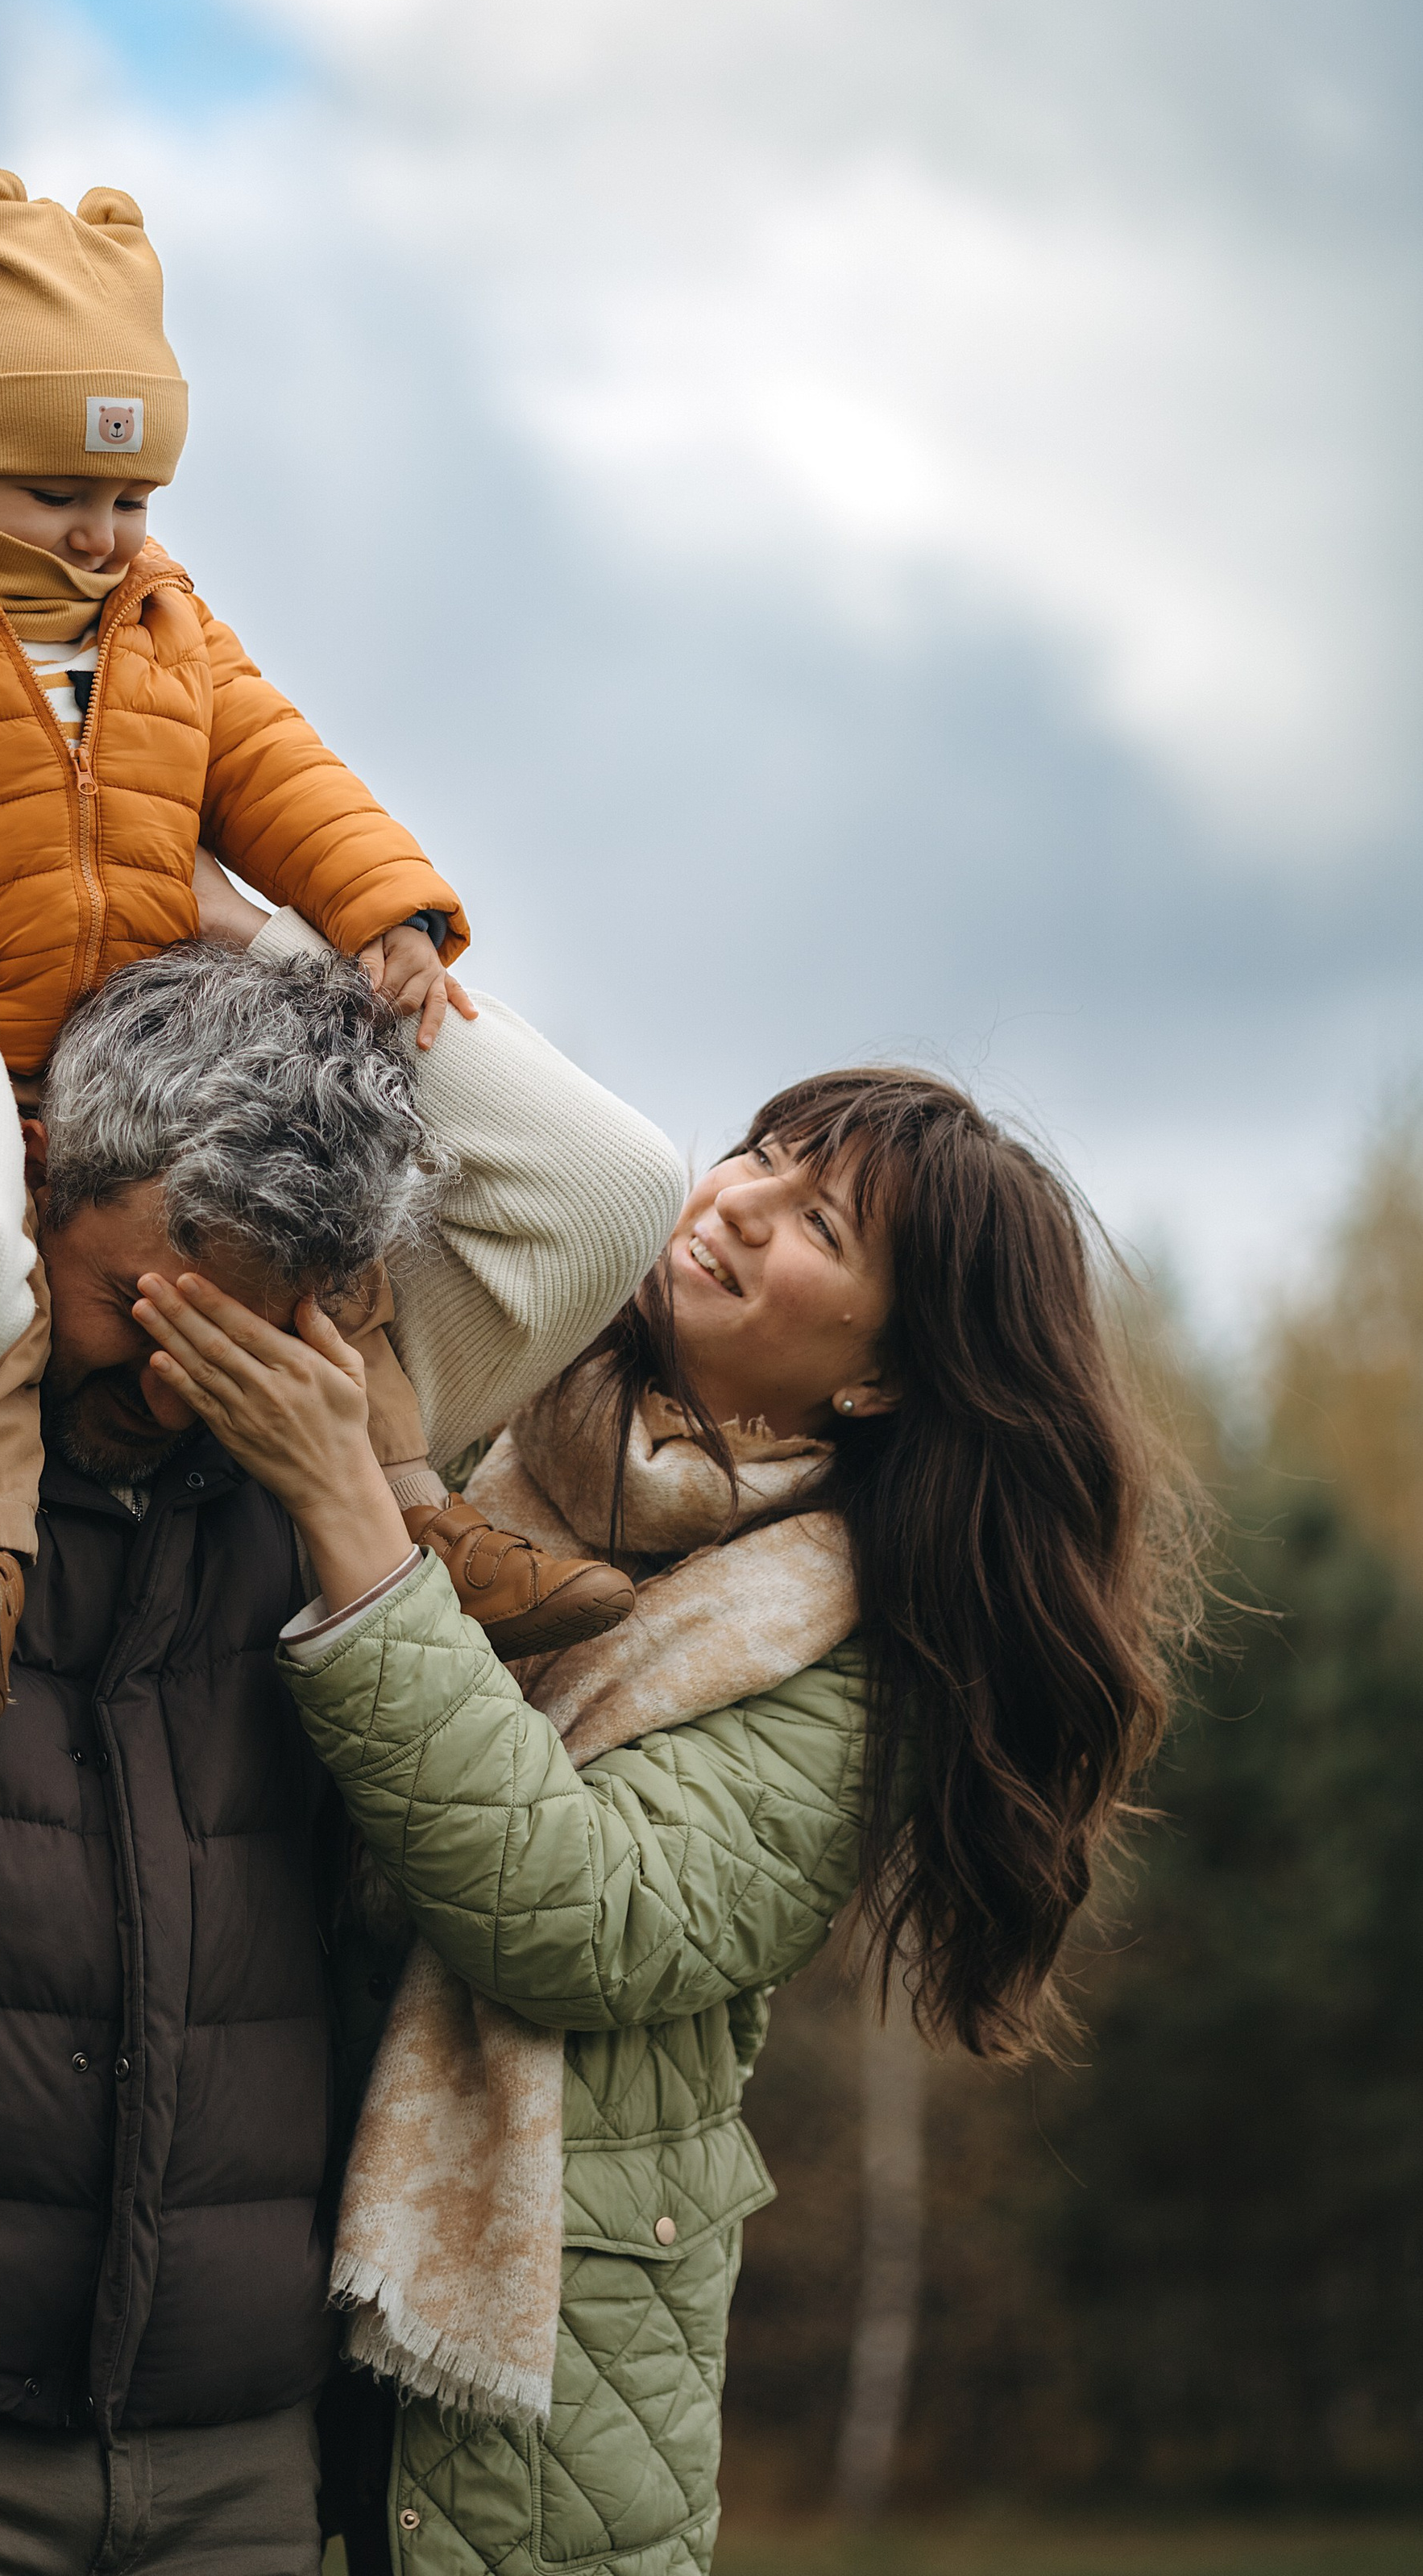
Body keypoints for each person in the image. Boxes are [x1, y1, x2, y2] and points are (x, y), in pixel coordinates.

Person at [0, 903, 687, 2572]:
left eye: (246, 1334)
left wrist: (248, 926)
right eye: (140, 1306)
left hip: (226, 2460)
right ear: (31, 1173)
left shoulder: (291, 1444)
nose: (182, 1387)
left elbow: (603, 1189)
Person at [127, 1064, 1197, 2576]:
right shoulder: (502, 1402)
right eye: (759, 1153)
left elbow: (575, 1914)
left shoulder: (846, 1655)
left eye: (816, 1219)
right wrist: (317, 918)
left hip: (531, 2433)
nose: (739, 1202)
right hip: (232, 2267)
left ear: (878, 1379)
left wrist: (358, 1524)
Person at [0, 166, 627, 1730]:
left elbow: (276, 768)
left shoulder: (165, 624)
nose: (108, 535)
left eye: (131, 502)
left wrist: (380, 906)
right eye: (64, 497)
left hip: (163, 1059)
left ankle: (422, 1519)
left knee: (326, 1261)